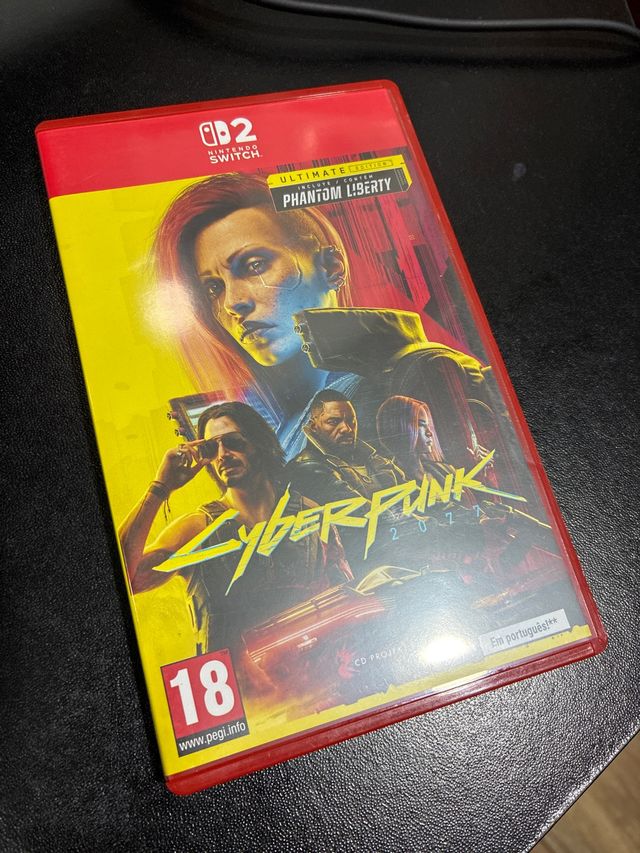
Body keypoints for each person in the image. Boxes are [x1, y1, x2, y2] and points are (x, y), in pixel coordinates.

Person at [154, 172, 494, 465]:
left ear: (331, 267)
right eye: (213, 288)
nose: (232, 303)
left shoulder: (413, 373)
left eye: (255, 266)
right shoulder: (285, 424)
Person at [118, 401, 352, 665]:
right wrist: (160, 487)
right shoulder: (198, 528)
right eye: (210, 448)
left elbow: (345, 595)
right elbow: (127, 579)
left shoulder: (311, 514)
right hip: (236, 684)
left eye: (233, 442)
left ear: (260, 444)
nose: (222, 455)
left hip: (312, 675)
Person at [285, 389, 404, 506]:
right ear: (313, 426)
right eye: (333, 422)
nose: (346, 429)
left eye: (351, 420)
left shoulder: (372, 457)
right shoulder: (308, 467)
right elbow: (362, 510)